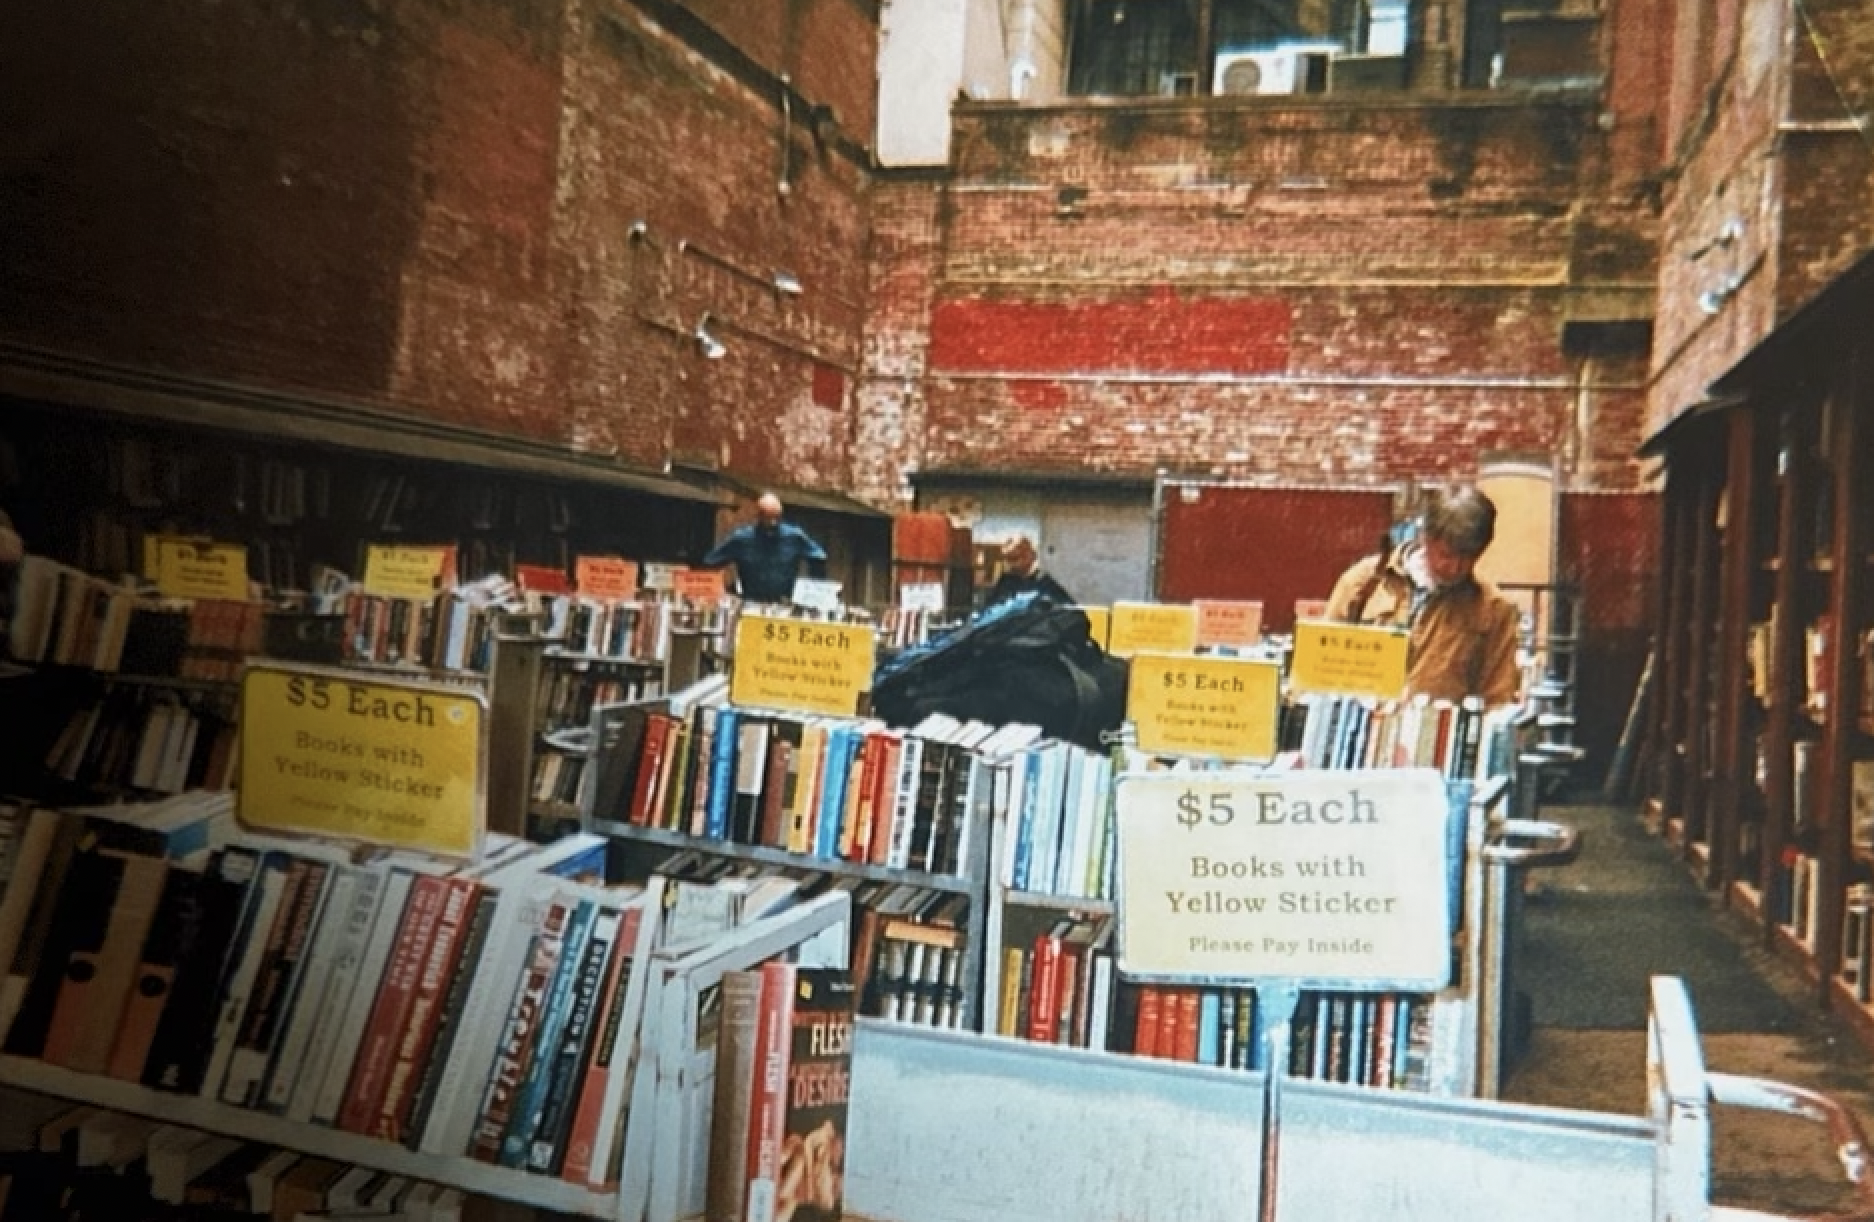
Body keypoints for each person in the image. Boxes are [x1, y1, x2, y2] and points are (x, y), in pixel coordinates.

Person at [1324, 484, 1523, 707]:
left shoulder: (1493, 610)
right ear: (1425, 538)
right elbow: (1318, 669)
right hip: (1357, 731)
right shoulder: (1363, 582)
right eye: (1446, 554)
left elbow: (1498, 699)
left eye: (1468, 557)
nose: (1455, 567)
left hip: (1440, 735)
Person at [700, 492, 827, 604]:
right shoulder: (742, 539)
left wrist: (812, 594)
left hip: (783, 603)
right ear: (758, 516)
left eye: (776, 518)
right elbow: (711, 562)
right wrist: (721, 591)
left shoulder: (794, 536)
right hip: (750, 602)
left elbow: (819, 558)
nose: (773, 523)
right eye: (768, 518)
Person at [984, 535, 1073, 608]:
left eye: (1014, 558)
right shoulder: (1006, 581)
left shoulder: (1045, 582)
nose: (1011, 564)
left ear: (1031, 556)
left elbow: (1067, 608)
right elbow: (990, 608)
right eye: (1007, 559)